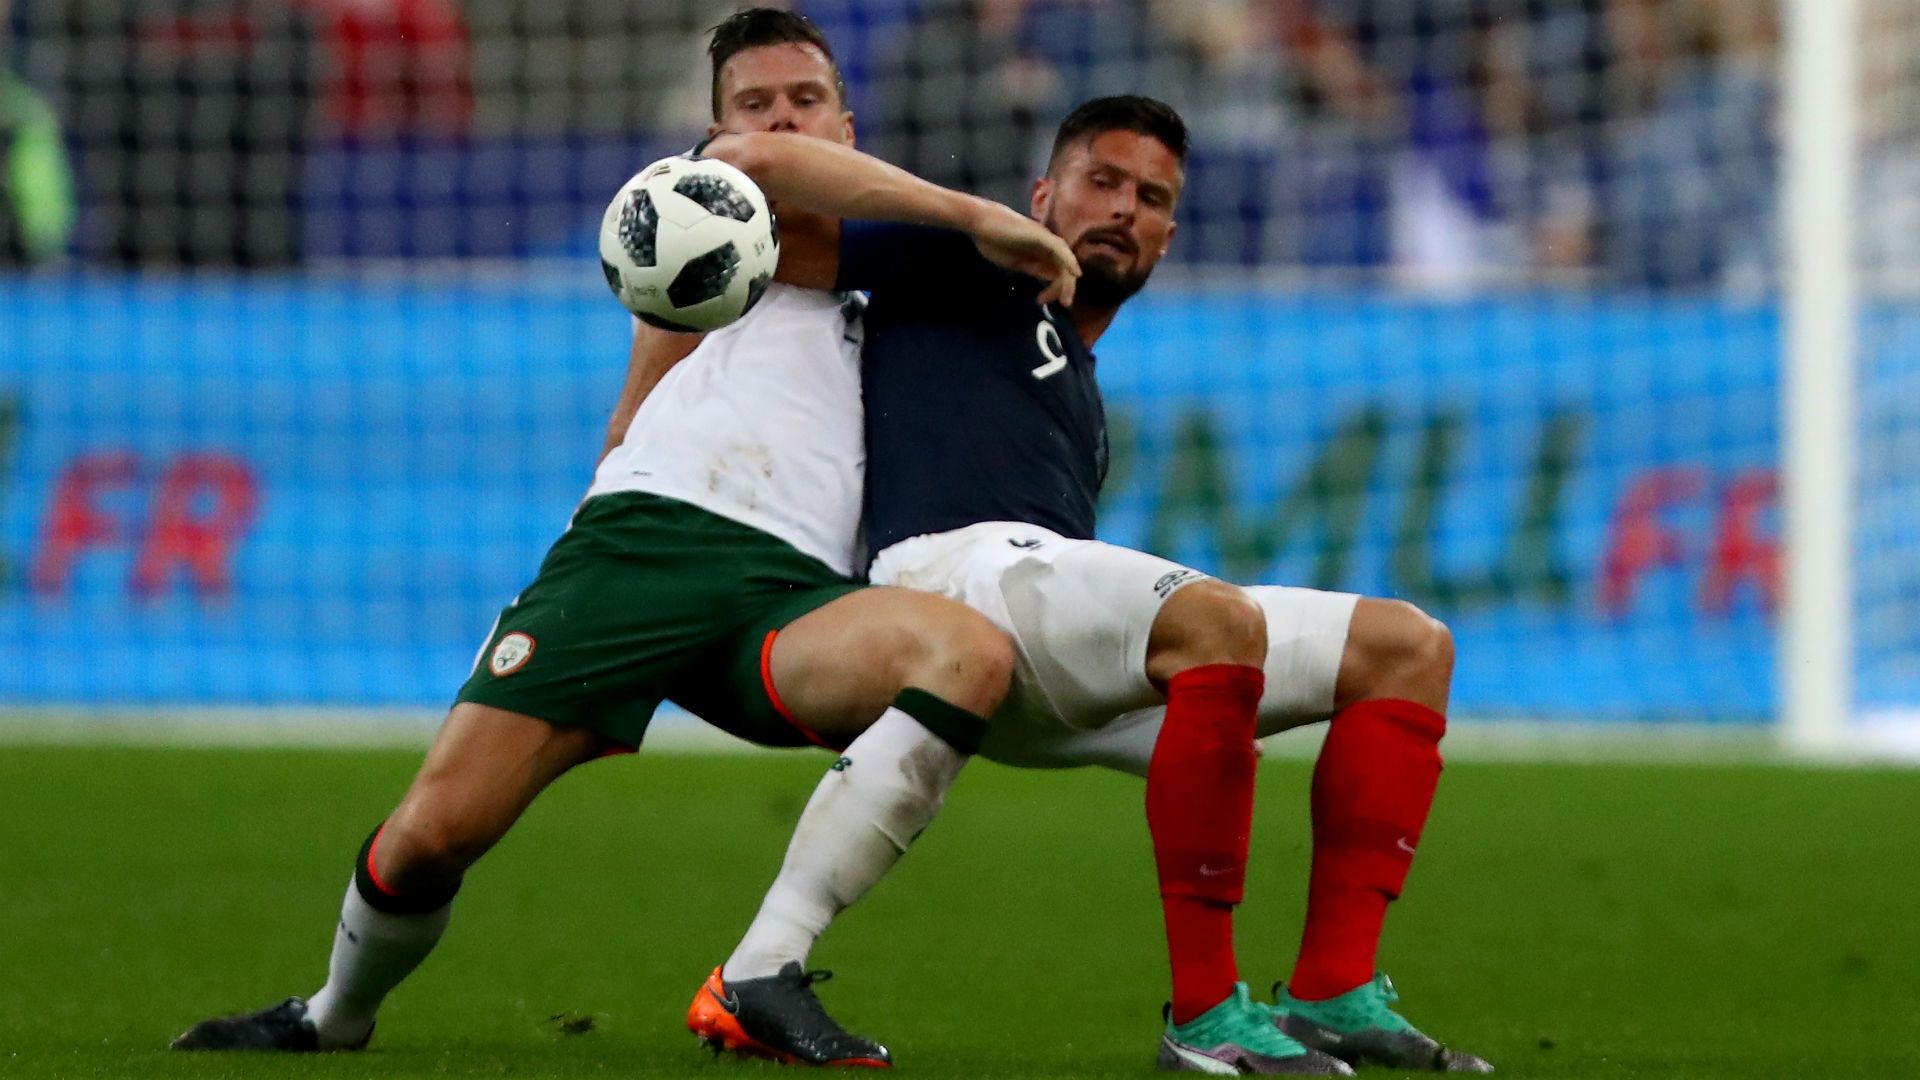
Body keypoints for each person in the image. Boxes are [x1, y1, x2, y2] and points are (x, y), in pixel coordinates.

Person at [168, 10, 1080, 1064]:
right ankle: (334, 1013)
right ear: (716, 127)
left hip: (795, 597)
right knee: (432, 837)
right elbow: (747, 181)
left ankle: (761, 973)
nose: (777, 119)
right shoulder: (709, 218)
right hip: (645, 548)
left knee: (960, 652)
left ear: (847, 121)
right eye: (753, 103)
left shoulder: (904, 272)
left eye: (804, 99)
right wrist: (979, 213)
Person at [693, 95, 1491, 1074]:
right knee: (1216, 621)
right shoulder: (963, 258)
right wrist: (955, 210)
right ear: (1042, 194)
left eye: (1150, 197)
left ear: (1169, 232)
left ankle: (1335, 990)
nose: (1122, 208)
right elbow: (748, 191)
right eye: (1100, 181)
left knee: (1408, 648)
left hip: (1040, 634)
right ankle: (1203, 1016)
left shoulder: (1075, 379)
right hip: (950, 579)